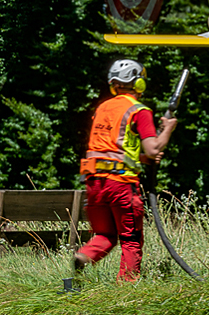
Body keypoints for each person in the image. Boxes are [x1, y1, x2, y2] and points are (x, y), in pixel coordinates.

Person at [73, 59, 176, 281]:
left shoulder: (103, 108)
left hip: (94, 183)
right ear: (139, 84)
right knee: (131, 239)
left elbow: (112, 149)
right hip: (121, 185)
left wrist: (142, 159)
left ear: (114, 85)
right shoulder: (139, 110)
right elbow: (153, 147)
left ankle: (83, 256)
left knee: (105, 235)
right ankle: (127, 288)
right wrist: (167, 130)